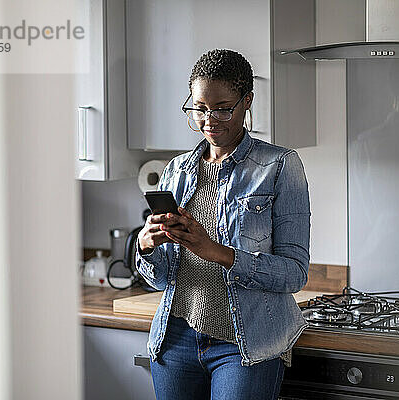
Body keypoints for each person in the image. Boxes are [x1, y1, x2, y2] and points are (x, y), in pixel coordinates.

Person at [135, 49, 311, 400]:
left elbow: (294, 274)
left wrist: (216, 252)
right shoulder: (177, 169)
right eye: (199, 108)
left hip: (244, 345)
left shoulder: (279, 166)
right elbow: (160, 280)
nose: (209, 120)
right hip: (175, 341)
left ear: (247, 101)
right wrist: (146, 246)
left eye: (222, 108)